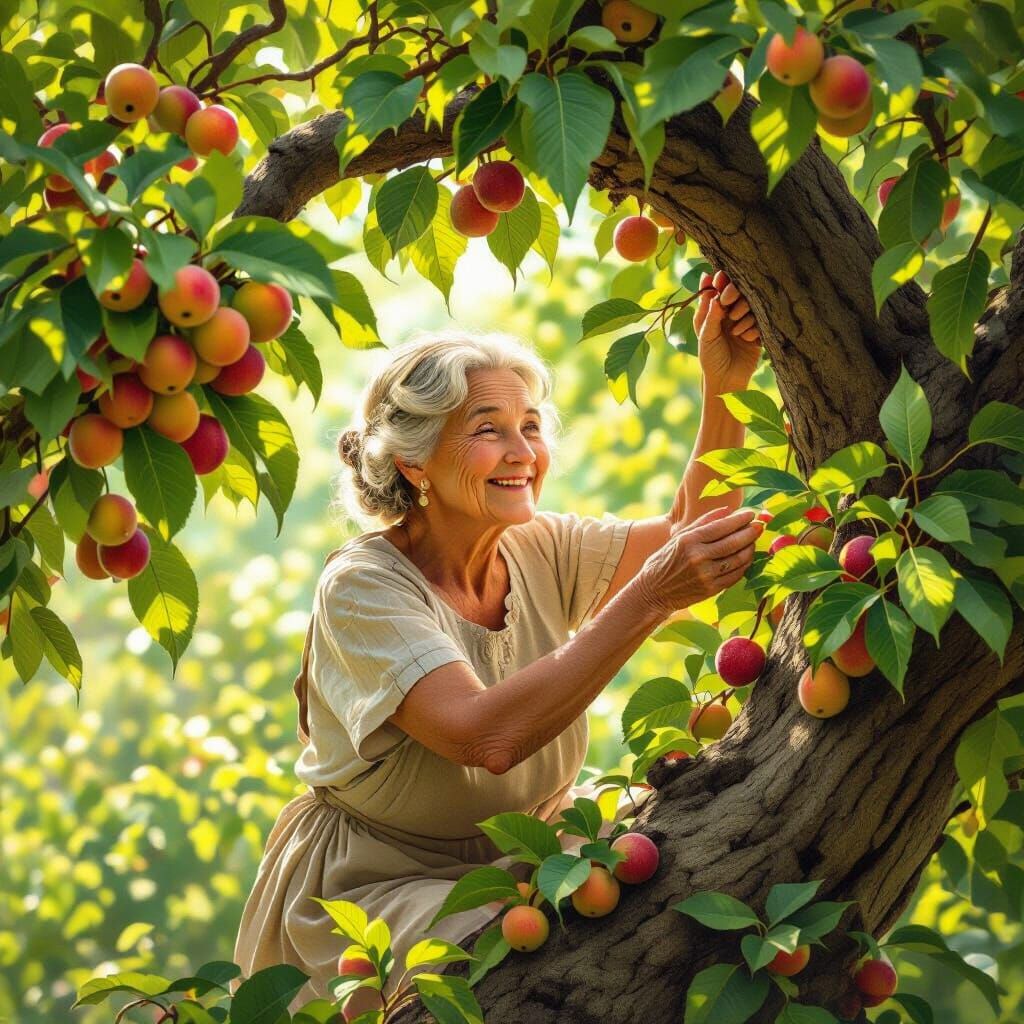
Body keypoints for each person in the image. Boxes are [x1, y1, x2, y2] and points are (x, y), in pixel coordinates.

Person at [233, 270, 765, 1014]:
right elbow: (486, 737)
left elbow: (689, 540)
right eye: (488, 428)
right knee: (521, 976)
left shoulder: (535, 545)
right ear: (414, 462)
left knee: (685, 893)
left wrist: (726, 383)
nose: (524, 451)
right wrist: (648, 597)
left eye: (531, 425)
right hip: (377, 887)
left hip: (528, 857)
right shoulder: (363, 588)